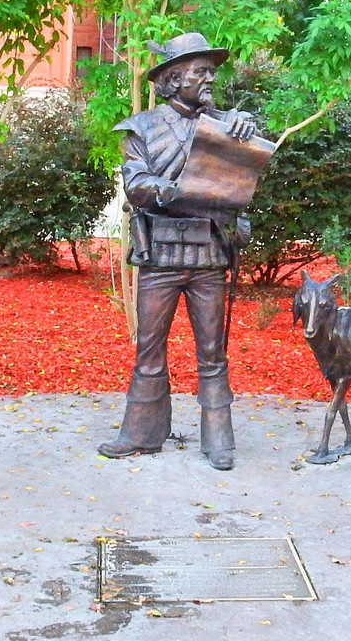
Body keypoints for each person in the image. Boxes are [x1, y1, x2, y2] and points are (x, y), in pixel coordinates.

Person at [96, 32, 258, 471]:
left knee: (212, 350)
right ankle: (142, 433)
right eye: (199, 70)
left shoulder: (229, 125)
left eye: (211, 70)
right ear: (170, 80)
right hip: (160, 257)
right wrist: (181, 191)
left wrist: (240, 135)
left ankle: (218, 436)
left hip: (208, 257)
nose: (209, 78)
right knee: (149, 348)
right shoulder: (142, 128)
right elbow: (138, 185)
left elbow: (240, 183)